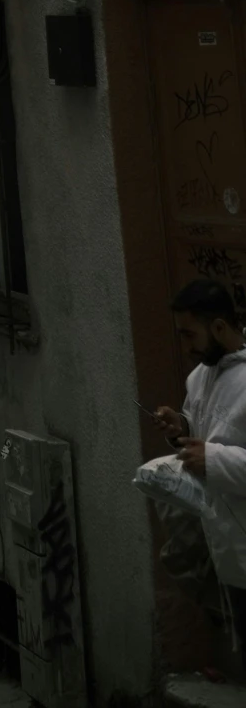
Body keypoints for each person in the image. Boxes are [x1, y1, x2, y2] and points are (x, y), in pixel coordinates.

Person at [155, 279, 246, 654]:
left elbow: (217, 450)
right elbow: (208, 427)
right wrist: (183, 428)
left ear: (220, 328)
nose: (186, 346)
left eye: (190, 334)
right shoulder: (201, 377)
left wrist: (210, 458)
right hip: (228, 549)